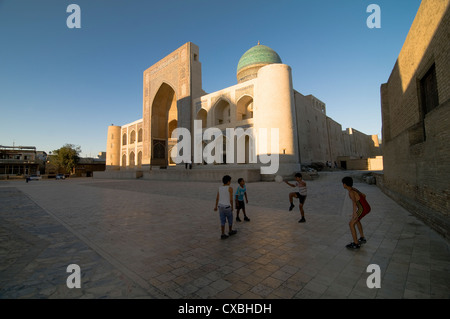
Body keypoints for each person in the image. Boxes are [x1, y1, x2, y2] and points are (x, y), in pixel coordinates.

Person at [342, 176, 369, 249]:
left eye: (343, 184)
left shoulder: (351, 192)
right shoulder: (354, 189)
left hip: (363, 209)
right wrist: (363, 205)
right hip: (365, 208)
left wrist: (355, 213)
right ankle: (362, 238)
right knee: (357, 221)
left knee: (351, 224)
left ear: (344, 184)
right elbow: (364, 195)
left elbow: (354, 203)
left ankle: (356, 243)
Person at [214, 175, 237, 239]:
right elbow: (231, 199)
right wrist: (232, 207)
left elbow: (217, 198)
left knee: (222, 220)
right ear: (228, 181)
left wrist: (215, 206)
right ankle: (230, 230)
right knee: (230, 219)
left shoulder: (220, 188)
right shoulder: (230, 188)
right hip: (227, 207)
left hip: (220, 206)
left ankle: (223, 233)